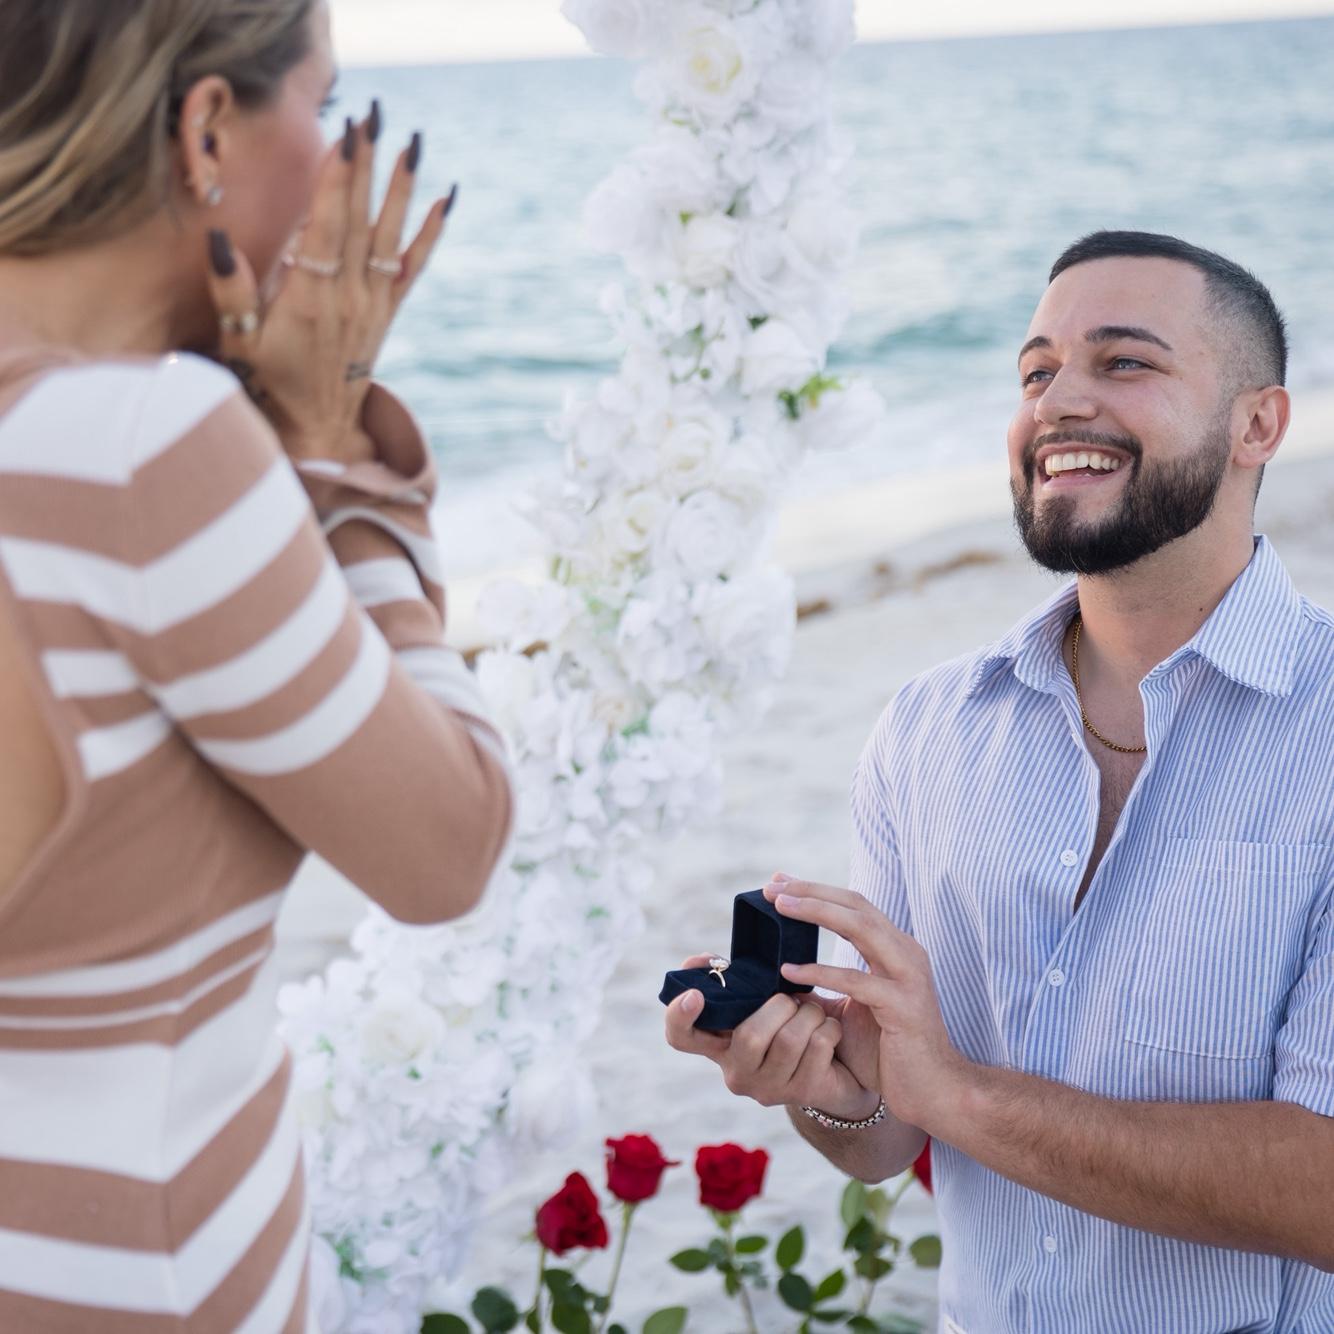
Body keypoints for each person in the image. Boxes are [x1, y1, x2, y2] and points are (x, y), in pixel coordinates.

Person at [665, 231, 1334, 1332]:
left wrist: (958, 1093)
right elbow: (884, 1137)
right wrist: (823, 1088)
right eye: (1035, 373)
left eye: (1123, 361)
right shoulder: (926, 729)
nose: (1057, 402)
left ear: (1257, 424)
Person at [0, 1, 513, 1328]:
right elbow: (449, 847)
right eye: (326, 107)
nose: (343, 162)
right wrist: (335, 460)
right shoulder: (135, 447)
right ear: (207, 130)